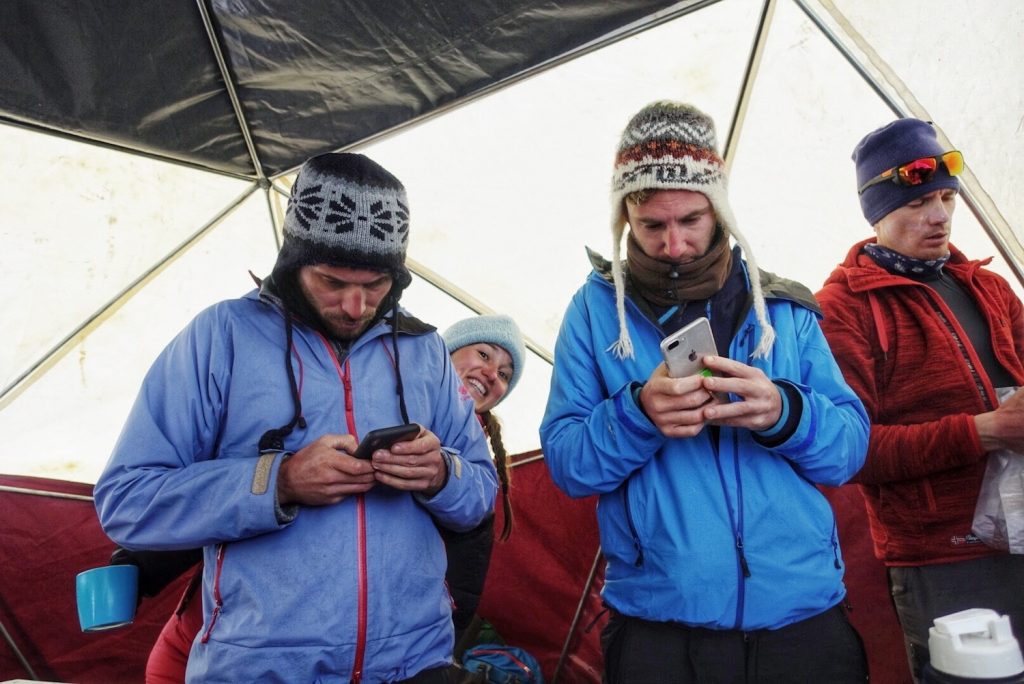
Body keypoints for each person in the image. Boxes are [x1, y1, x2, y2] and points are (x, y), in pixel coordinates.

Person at [93, 152, 498, 683]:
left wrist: (442, 474)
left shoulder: (422, 350)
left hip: (413, 663)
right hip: (261, 669)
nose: (356, 306)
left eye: (376, 284)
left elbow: (481, 493)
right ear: (293, 261)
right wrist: (277, 480)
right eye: (333, 282)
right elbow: (127, 500)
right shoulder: (222, 338)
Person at [539, 101, 870, 683]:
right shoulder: (593, 312)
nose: (673, 245)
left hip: (801, 619)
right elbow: (567, 463)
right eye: (652, 225)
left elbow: (849, 448)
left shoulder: (782, 309)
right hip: (662, 629)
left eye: (690, 220)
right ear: (624, 219)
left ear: (718, 210)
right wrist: (638, 414)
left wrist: (784, 412)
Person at [118, 314, 527, 683]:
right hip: (235, 639)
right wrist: (141, 565)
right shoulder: (245, 347)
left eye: (506, 374)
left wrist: (440, 475)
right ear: (443, 353)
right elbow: (177, 502)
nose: (492, 374)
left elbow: (470, 556)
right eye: (484, 354)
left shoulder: (470, 461)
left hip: (396, 660)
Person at [816, 117, 1024, 682]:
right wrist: (981, 431)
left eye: (946, 198)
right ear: (877, 212)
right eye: (916, 204)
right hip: (943, 559)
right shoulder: (842, 310)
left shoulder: (991, 287)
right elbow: (852, 452)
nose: (939, 217)